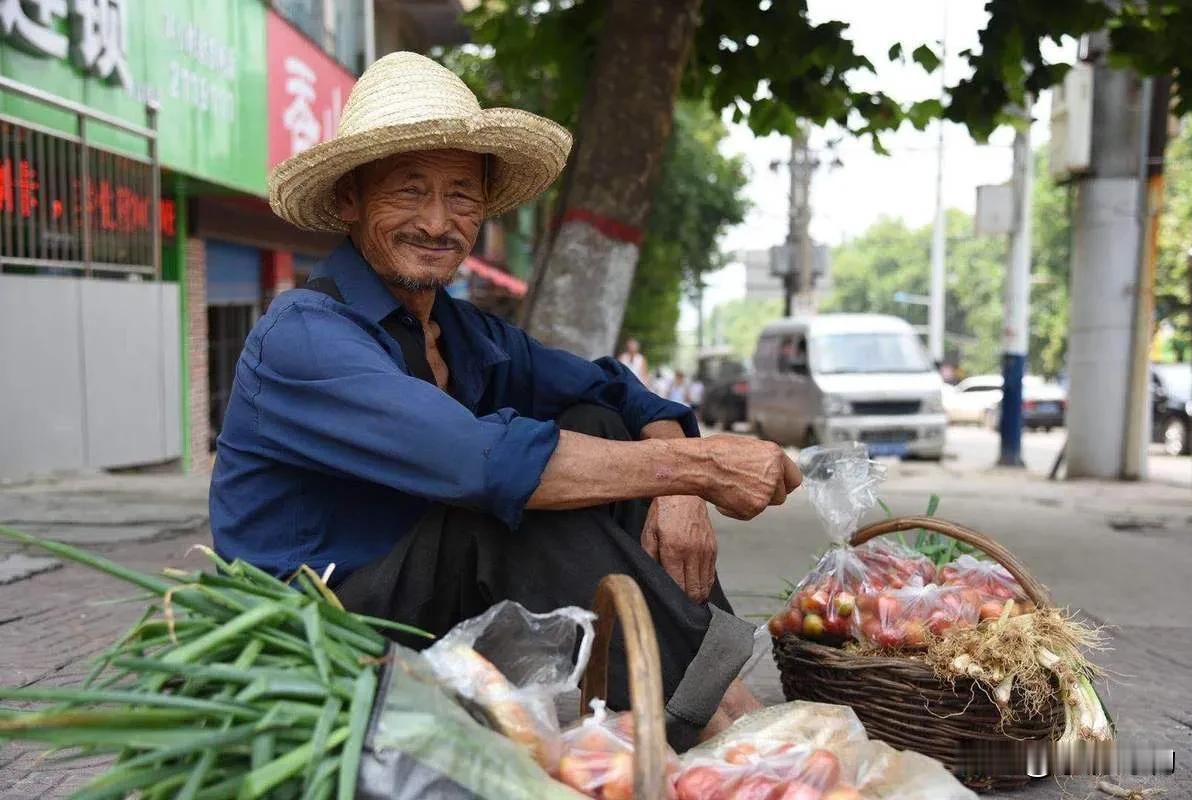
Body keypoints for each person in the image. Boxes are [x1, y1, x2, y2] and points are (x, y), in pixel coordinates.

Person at [209, 52, 801, 749]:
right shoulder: (303, 337)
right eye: (408, 191)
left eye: (461, 195)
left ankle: (717, 701)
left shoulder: (462, 332)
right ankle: (725, 727)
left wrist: (679, 488)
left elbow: (618, 390)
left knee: (596, 425)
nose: (437, 222)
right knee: (505, 509)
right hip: (324, 629)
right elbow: (487, 464)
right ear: (350, 202)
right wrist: (700, 468)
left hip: (430, 607)